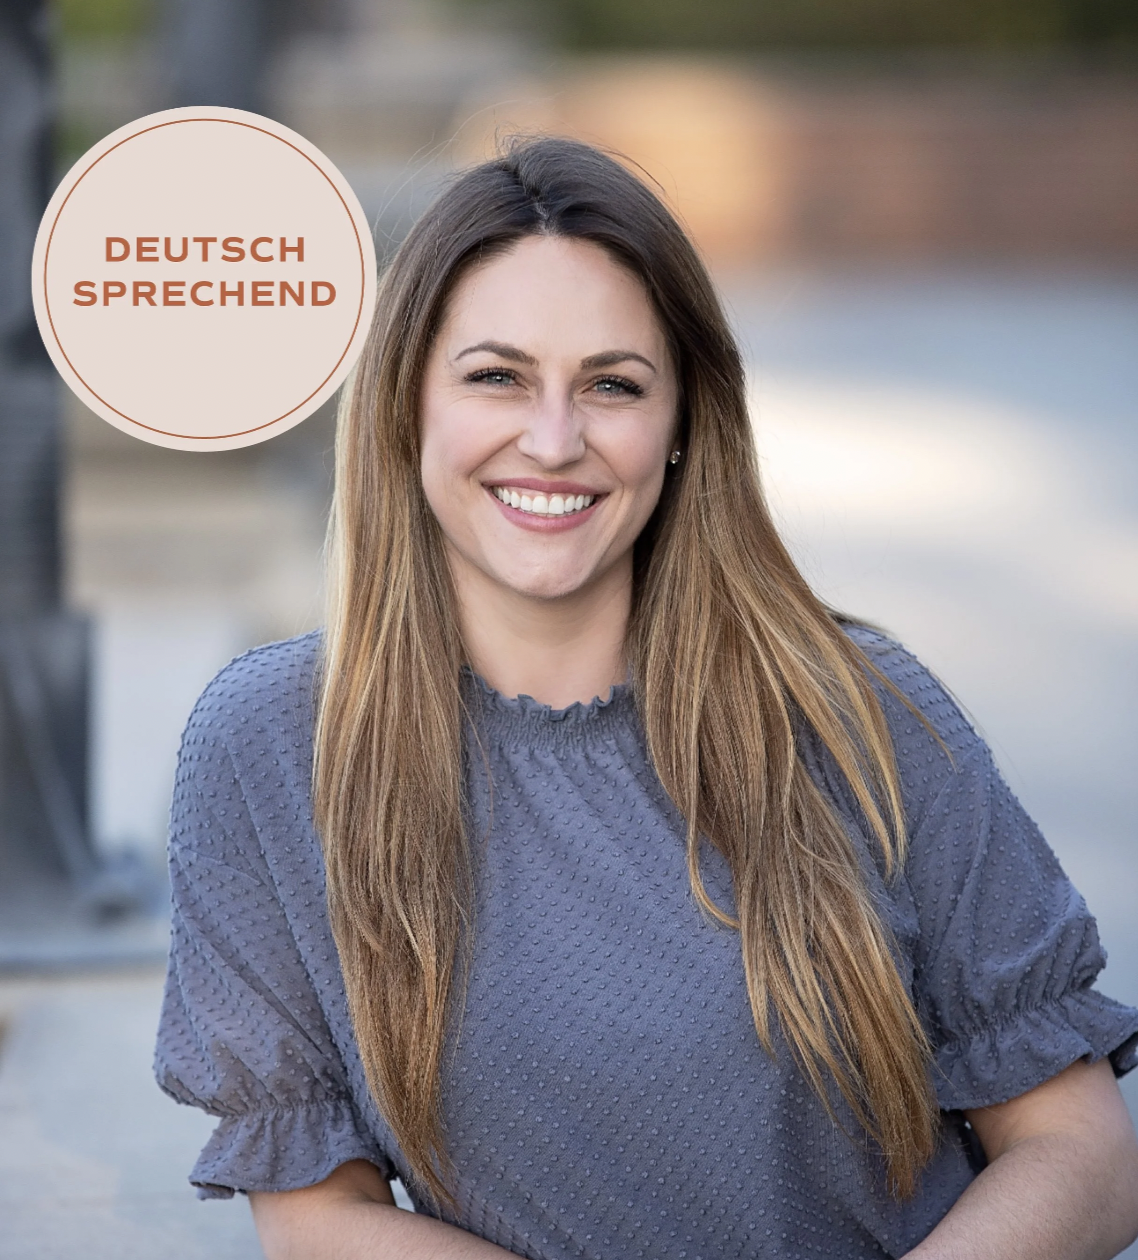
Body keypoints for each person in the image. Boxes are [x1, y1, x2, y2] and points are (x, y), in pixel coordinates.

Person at [154, 137, 1138, 1260]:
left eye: (612, 385)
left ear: (679, 428)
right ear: (403, 407)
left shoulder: (862, 714)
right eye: (496, 377)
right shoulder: (272, 748)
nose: (556, 440)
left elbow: (1085, 1154)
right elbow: (318, 1221)